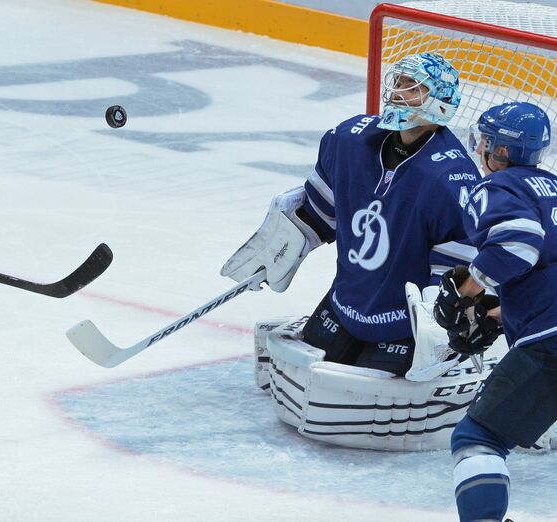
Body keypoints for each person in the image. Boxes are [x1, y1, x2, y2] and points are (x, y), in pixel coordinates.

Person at [222, 52, 481, 378]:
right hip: (345, 302)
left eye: (414, 88)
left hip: (401, 320)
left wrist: (437, 325)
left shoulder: (452, 178)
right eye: (399, 83)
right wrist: (281, 247)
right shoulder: (350, 140)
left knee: (361, 391)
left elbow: (455, 266)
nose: (399, 93)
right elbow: (318, 215)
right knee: (308, 378)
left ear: (442, 106)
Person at [433, 101, 557, 522]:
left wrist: (468, 291)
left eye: (485, 139)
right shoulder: (554, 187)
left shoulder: (499, 188)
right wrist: (499, 315)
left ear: (499, 150)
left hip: (551, 343)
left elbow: (518, 244)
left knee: (478, 437)